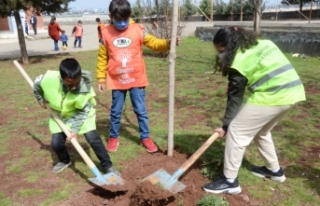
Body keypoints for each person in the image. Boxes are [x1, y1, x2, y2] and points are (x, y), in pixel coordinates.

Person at [202, 27, 306, 194]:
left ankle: (229, 181)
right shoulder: (262, 42)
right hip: (293, 92)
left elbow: (235, 99)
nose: (221, 56)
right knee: (261, 131)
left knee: (237, 131)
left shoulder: (238, 60)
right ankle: (274, 171)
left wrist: (226, 126)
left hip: (273, 95)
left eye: (221, 51)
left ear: (230, 46)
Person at [96, 0, 180, 153]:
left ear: (130, 15)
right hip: (117, 80)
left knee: (140, 110)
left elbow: (154, 43)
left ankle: (145, 137)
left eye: (125, 19)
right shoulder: (105, 33)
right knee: (115, 111)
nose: (122, 23)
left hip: (136, 79)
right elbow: (102, 57)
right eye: (118, 20)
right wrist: (101, 78)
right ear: (111, 16)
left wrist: (169, 43)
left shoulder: (138, 30)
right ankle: (113, 137)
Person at [33, 58, 119, 175]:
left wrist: (74, 130)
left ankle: (107, 165)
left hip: (82, 113)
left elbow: (82, 112)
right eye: (69, 84)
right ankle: (64, 160)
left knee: (93, 139)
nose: (74, 87)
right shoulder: (48, 79)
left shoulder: (84, 90)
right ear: (61, 78)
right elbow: (36, 84)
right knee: (56, 143)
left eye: (76, 83)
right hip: (60, 114)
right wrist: (40, 99)